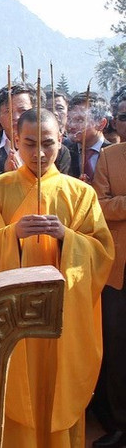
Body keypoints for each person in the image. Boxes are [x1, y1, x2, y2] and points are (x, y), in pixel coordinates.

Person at [0, 109, 113, 447]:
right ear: (16, 142)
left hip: (61, 315)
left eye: (48, 143)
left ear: (60, 141)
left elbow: (102, 254)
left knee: (57, 384)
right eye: (30, 144)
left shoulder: (80, 193)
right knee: (14, 386)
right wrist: (11, 235)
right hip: (12, 316)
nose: (39, 153)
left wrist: (67, 238)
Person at [91, 132, 126, 448]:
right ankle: (118, 425)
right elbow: (99, 205)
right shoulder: (110, 156)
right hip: (118, 272)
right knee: (116, 348)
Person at [0, 84, 71, 181]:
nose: (15, 117)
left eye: (22, 111)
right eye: (8, 111)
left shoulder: (57, 151)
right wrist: (5, 174)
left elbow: (59, 186)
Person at [65, 92, 111, 182]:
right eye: (69, 119)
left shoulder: (114, 154)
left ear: (101, 124)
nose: (71, 125)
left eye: (80, 120)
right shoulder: (63, 152)